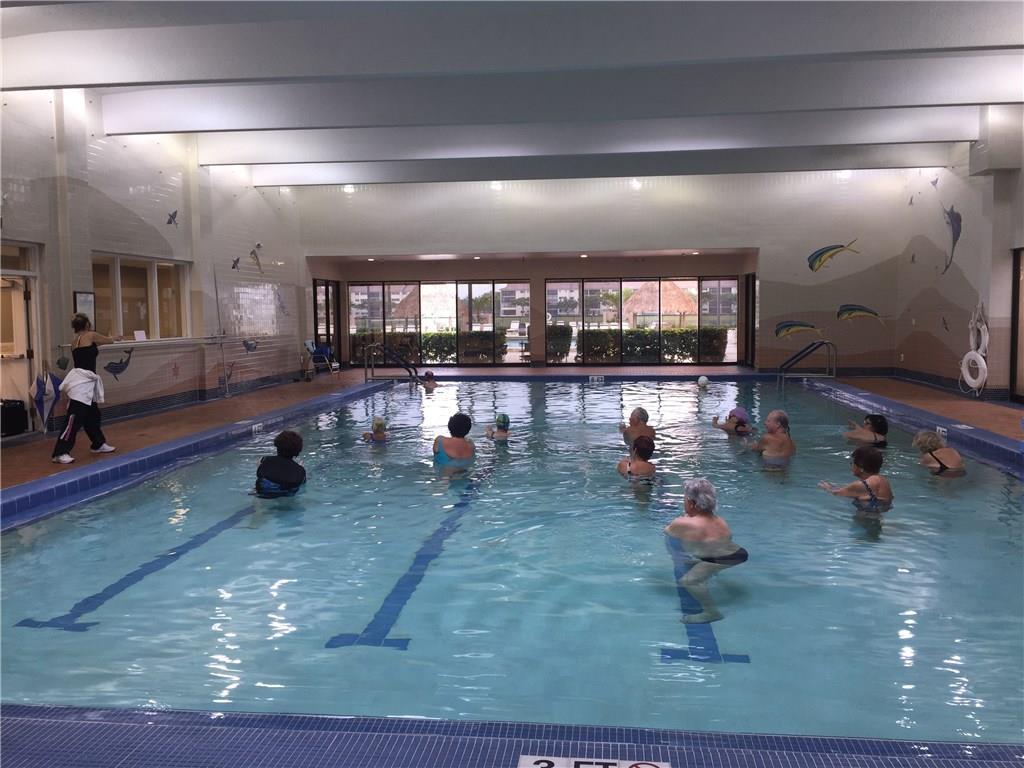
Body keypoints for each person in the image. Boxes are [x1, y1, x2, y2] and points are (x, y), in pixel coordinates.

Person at [664, 478, 748, 624]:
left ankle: (711, 612)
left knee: (688, 581)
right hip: (737, 552)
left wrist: (683, 520)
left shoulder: (684, 522)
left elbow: (667, 531)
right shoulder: (719, 519)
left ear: (691, 503)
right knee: (701, 562)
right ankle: (705, 568)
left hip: (719, 558)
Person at [51, 313, 120, 464]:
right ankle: (60, 452)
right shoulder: (90, 335)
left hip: (86, 382)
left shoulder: (75, 341)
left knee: (92, 415)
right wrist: (116, 337)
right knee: (74, 419)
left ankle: (98, 444)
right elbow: (108, 340)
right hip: (82, 385)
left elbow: (92, 348)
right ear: (87, 324)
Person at [818, 445, 893, 514]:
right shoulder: (884, 481)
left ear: (861, 467)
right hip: (880, 510)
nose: (851, 466)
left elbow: (837, 493)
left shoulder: (861, 485)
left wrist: (827, 488)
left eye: (852, 463)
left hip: (865, 515)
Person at [255, 430, 306, 498]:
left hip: (262, 492)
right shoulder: (300, 471)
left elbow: (260, 472)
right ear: (297, 451)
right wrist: (300, 469)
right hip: (287, 495)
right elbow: (302, 484)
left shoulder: (264, 460)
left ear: (277, 445)